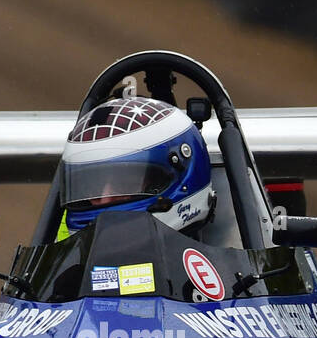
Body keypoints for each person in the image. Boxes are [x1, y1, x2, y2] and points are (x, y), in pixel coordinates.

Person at [55, 96, 215, 240]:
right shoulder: (65, 266)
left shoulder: (228, 268)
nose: (104, 198)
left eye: (124, 183)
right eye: (92, 188)